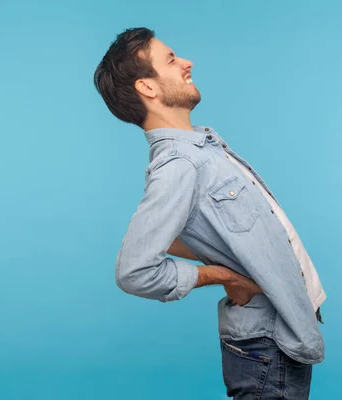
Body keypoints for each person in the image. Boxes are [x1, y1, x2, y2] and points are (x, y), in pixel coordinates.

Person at [93, 27, 327, 400]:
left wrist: (223, 255)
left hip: (279, 333)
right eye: (170, 59)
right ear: (147, 88)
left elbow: (176, 235)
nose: (187, 63)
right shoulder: (179, 164)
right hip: (267, 342)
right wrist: (219, 274)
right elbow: (135, 270)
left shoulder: (200, 150)